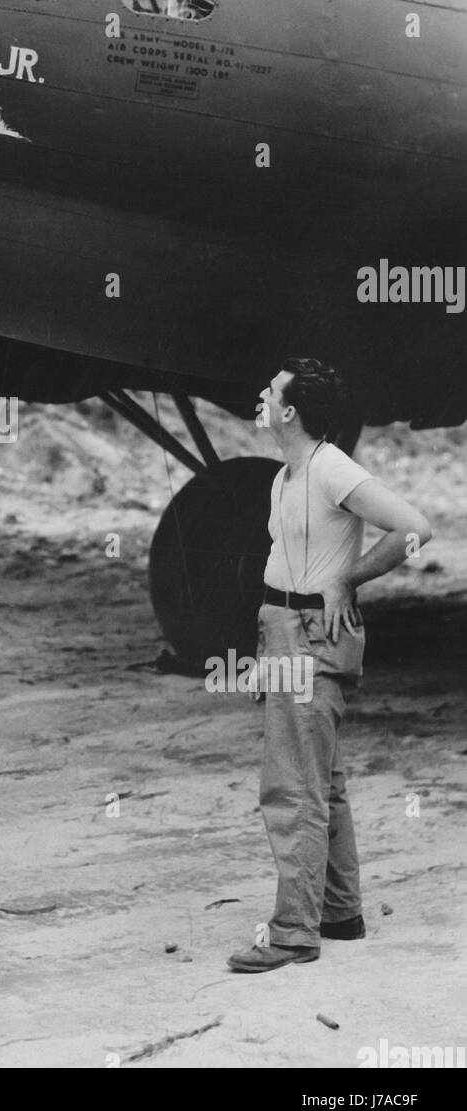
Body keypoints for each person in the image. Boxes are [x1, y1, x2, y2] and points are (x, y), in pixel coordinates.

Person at [228, 358, 432, 973]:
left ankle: (293, 932)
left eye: (271, 390)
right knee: (324, 782)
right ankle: (339, 912)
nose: (261, 394)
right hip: (285, 631)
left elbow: (414, 529)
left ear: (289, 411)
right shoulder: (289, 474)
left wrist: (350, 577)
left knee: (292, 788)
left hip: (313, 636)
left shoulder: (329, 465)